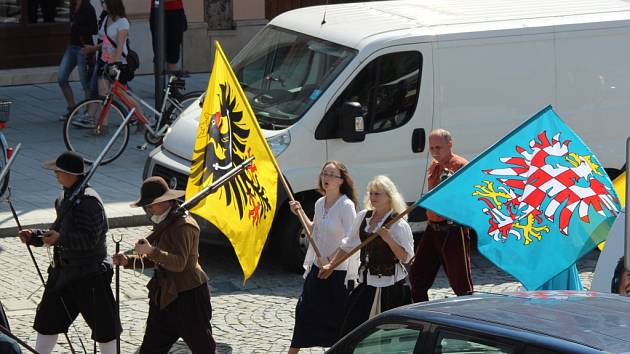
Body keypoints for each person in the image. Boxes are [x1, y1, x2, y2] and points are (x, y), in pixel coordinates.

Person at [17, 151, 121, 354]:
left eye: (59, 171)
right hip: (64, 275)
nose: (55, 174)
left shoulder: (90, 202)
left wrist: (60, 238)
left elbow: (90, 239)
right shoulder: (65, 196)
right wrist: (34, 237)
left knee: (105, 329)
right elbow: (57, 231)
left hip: (90, 276)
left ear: (71, 174)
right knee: (47, 321)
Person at [112, 176, 216, 354]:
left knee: (204, 349)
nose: (149, 208)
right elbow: (159, 260)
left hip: (189, 297)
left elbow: (179, 263)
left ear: (166, 201)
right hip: (164, 297)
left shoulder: (184, 225)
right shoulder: (163, 221)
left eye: (151, 204)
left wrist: (151, 251)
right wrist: (128, 261)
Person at [319, 175, 414, 336]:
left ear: (389, 197)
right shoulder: (364, 217)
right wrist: (331, 265)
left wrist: (388, 239)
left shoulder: (398, 224)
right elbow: (348, 245)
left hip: (391, 287)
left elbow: (407, 257)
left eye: (378, 194)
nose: (373, 197)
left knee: (388, 335)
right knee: (352, 329)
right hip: (366, 282)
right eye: (371, 193)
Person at [287, 161, 358, 353]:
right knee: (303, 312)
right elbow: (314, 230)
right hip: (318, 268)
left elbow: (350, 239)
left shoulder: (346, 205)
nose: (326, 178)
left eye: (331, 175)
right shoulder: (320, 203)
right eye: (324, 173)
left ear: (341, 181)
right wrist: (299, 212)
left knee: (334, 319)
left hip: (337, 273)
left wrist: (332, 262)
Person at [409, 128, 474, 302]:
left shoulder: (460, 166)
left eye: (439, 147)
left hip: (453, 229)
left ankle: (468, 318)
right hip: (433, 228)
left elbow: (468, 199)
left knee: (461, 284)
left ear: (450, 144)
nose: (435, 152)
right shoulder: (434, 166)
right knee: (417, 277)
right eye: (432, 148)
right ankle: (421, 315)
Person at [74, 0, 143, 129]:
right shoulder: (106, 19)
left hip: (117, 64)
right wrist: (93, 48)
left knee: (123, 95)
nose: (102, 5)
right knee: (103, 95)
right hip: (104, 62)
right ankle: (103, 125)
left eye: (104, 2)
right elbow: (106, 42)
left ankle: (142, 119)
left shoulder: (123, 22)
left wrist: (115, 65)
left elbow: (120, 46)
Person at [58, 0, 98, 120]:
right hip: (72, 47)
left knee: (86, 83)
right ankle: (72, 108)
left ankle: (88, 113)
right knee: (61, 78)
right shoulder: (73, 5)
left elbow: (94, 29)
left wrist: (77, 27)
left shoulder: (89, 8)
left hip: (84, 48)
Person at [149, 0, 188, 71]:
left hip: (175, 11)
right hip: (157, 9)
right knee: (159, 56)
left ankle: (173, 81)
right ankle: (158, 81)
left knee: (173, 56)